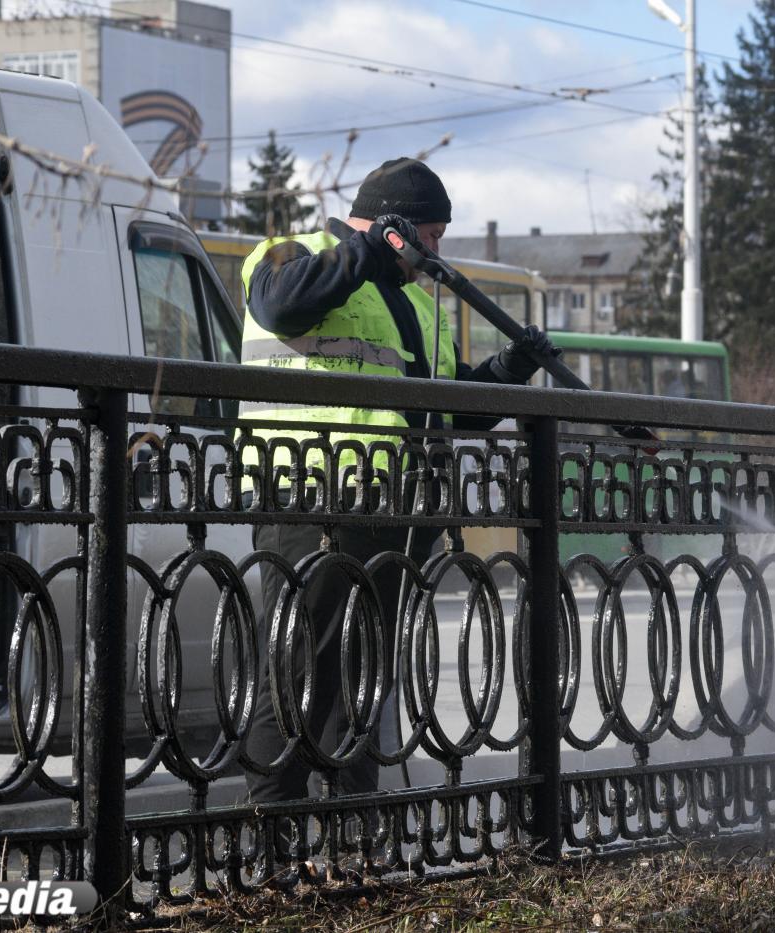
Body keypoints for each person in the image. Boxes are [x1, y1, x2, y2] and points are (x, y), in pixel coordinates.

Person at [236, 157, 559, 806]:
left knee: (361, 680)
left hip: (393, 511)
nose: (435, 252)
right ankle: (265, 842)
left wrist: (511, 367)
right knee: (302, 672)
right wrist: (364, 247)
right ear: (396, 227)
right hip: (313, 500)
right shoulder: (293, 251)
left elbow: (448, 403)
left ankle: (353, 837)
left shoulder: (412, 300)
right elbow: (279, 305)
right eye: (431, 236)